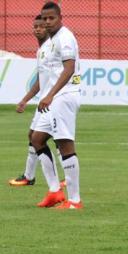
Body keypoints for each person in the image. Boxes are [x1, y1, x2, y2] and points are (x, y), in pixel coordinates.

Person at [29, 1, 82, 209]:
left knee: (64, 143)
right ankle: (54, 191)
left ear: (60, 18)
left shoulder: (65, 37)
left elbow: (69, 69)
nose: (47, 22)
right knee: (36, 138)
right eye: (45, 18)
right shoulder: (48, 43)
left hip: (64, 96)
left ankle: (75, 200)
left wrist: (50, 95)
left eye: (51, 18)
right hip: (52, 98)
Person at [9, 14, 63, 188]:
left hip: (54, 101)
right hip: (44, 102)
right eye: (35, 26)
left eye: (41, 26)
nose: (38, 29)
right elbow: (41, 80)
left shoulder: (53, 48)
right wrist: (25, 100)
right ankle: (29, 176)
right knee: (34, 136)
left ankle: (61, 179)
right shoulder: (41, 51)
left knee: (52, 138)